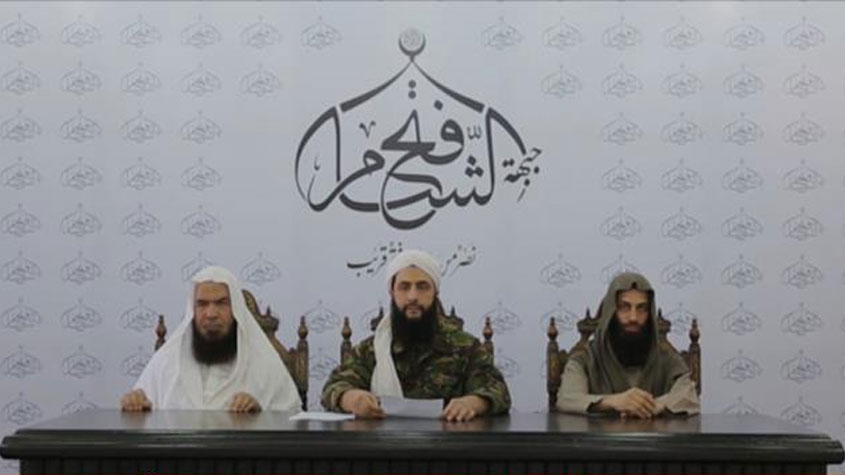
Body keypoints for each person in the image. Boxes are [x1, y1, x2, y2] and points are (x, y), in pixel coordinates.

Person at [322, 250, 510, 421]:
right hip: (383, 444)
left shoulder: (465, 347)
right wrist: (351, 399)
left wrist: (474, 402)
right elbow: (334, 387)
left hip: (448, 443)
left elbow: (499, 391)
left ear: (435, 292)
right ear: (392, 292)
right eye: (404, 287)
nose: (413, 296)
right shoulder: (371, 350)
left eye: (422, 287)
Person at [120, 266, 301, 413]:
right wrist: (134, 402)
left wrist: (259, 415)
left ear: (236, 309)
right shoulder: (167, 360)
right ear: (192, 310)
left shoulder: (264, 363)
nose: (211, 314)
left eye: (221, 303)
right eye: (202, 304)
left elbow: (291, 419)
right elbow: (141, 407)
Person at [556, 272, 699, 418]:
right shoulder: (586, 358)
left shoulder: (665, 357)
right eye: (624, 307)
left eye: (641, 308)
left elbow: (688, 394)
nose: (633, 318)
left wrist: (653, 405)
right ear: (610, 312)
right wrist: (612, 402)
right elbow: (567, 398)